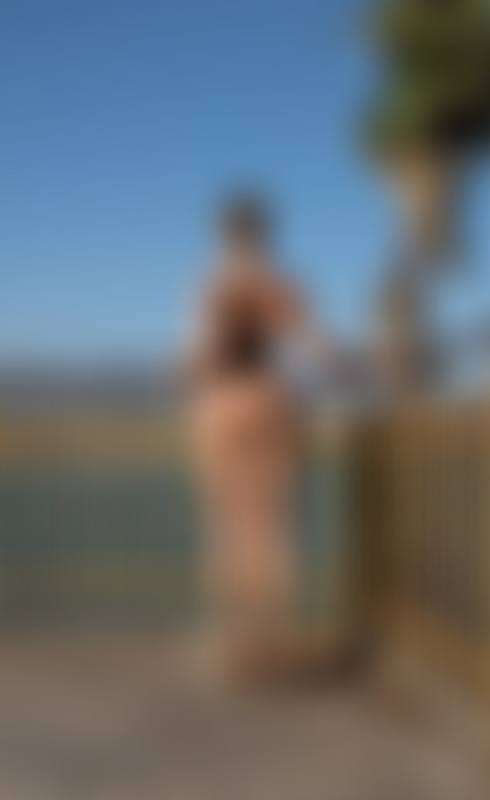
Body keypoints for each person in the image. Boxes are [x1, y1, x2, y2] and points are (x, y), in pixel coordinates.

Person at [183, 191, 332, 687]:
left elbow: (199, 356)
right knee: (275, 530)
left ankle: (233, 643)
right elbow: (320, 352)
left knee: (225, 526)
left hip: (222, 405)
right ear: (267, 233)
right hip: (274, 401)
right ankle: (275, 639)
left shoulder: (213, 284)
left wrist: (189, 374)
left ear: (221, 235)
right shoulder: (282, 283)